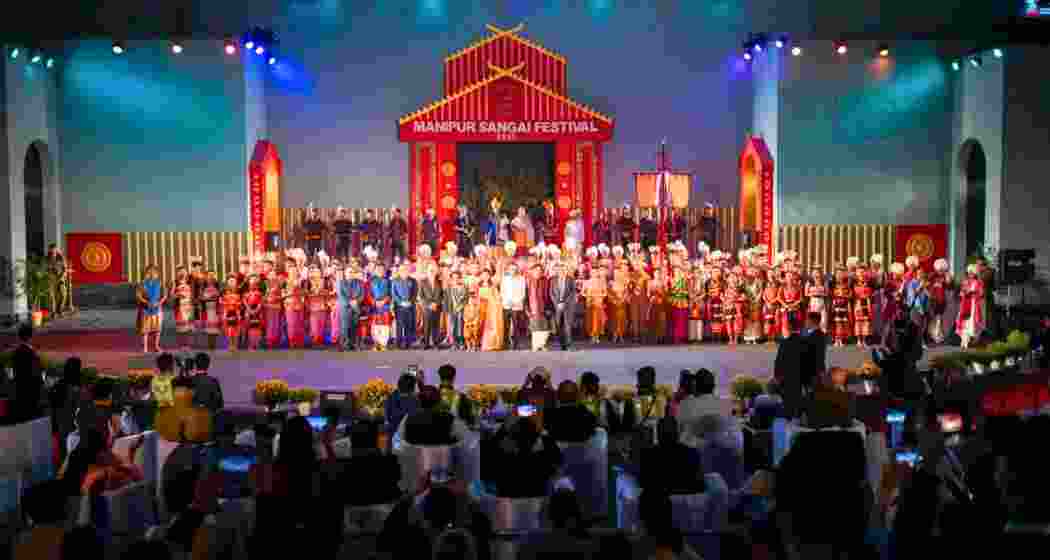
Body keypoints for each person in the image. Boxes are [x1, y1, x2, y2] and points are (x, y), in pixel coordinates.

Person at [483, 415, 563, 498]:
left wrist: (503, 430)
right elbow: (557, 457)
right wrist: (542, 433)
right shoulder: (543, 461)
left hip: (508, 504)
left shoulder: (504, 461)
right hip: (537, 503)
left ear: (512, 438)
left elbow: (488, 452)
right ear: (536, 438)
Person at [638, 417, 706, 495]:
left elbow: (642, 483)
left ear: (658, 433)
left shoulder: (646, 454)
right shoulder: (692, 453)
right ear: (677, 433)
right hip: (686, 502)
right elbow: (700, 486)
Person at [398, 385, 466, 446]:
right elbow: (463, 439)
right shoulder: (451, 419)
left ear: (419, 400)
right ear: (439, 401)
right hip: (443, 458)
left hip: (415, 458)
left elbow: (400, 440)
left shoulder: (408, 419)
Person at [11, 323, 44, 421]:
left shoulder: (16, 352)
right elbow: (36, 374)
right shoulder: (31, 353)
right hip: (31, 393)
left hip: (20, 392)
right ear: (30, 336)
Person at [136, 265, 167, 353]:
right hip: (146, 309)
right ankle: (144, 347)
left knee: (157, 329)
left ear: (157, 273)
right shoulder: (142, 284)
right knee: (145, 329)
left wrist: (159, 303)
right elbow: (138, 295)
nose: (152, 274)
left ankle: (156, 346)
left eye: (154, 272)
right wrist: (146, 302)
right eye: (149, 272)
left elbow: (164, 295)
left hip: (157, 309)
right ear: (146, 273)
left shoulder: (160, 283)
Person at [549, 262, 577, 351]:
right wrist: (557, 303)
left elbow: (573, 293)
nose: (561, 271)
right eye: (559, 270)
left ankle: (568, 344)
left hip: (568, 306)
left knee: (567, 325)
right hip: (557, 306)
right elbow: (551, 293)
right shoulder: (553, 280)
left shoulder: (570, 279)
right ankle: (562, 344)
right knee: (558, 326)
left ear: (566, 270)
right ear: (557, 271)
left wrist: (564, 303)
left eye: (563, 270)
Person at [501, 262, 528, 350]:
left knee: (517, 326)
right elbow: (502, 292)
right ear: (508, 270)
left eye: (514, 269)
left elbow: (523, 293)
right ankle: (506, 344)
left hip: (516, 306)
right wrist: (507, 301)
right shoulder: (504, 279)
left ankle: (516, 344)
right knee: (506, 326)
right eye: (511, 269)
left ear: (517, 269)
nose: (512, 270)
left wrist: (515, 301)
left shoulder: (521, 279)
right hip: (506, 304)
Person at [392, 264, 418, 349]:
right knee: (399, 325)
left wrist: (410, 302)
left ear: (408, 271)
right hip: (399, 307)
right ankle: (398, 344)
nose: (404, 271)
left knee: (408, 325)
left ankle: (408, 343)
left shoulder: (413, 281)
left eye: (406, 270)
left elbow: (415, 293)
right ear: (399, 271)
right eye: (402, 270)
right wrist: (400, 302)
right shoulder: (395, 281)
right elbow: (394, 294)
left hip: (410, 306)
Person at [419, 265, 443, 349]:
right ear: (427, 271)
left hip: (437, 307)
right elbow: (421, 296)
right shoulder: (423, 282)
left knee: (436, 326)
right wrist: (429, 304)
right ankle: (426, 343)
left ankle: (436, 343)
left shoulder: (439, 281)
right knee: (427, 325)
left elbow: (442, 295)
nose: (432, 272)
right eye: (430, 270)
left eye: (433, 270)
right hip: (427, 307)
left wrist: (436, 303)